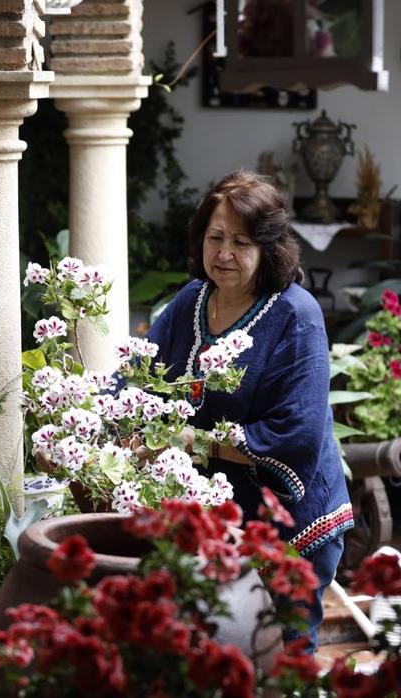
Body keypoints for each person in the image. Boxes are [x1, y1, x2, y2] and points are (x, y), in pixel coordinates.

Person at [144, 170, 353, 651]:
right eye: (215, 238)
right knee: (217, 653)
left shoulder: (296, 315)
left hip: (293, 521)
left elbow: (296, 434)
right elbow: (140, 375)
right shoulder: (189, 301)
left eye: (241, 242)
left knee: (283, 655)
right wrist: (102, 417)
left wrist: (188, 441)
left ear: (268, 249)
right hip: (220, 517)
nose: (224, 254)